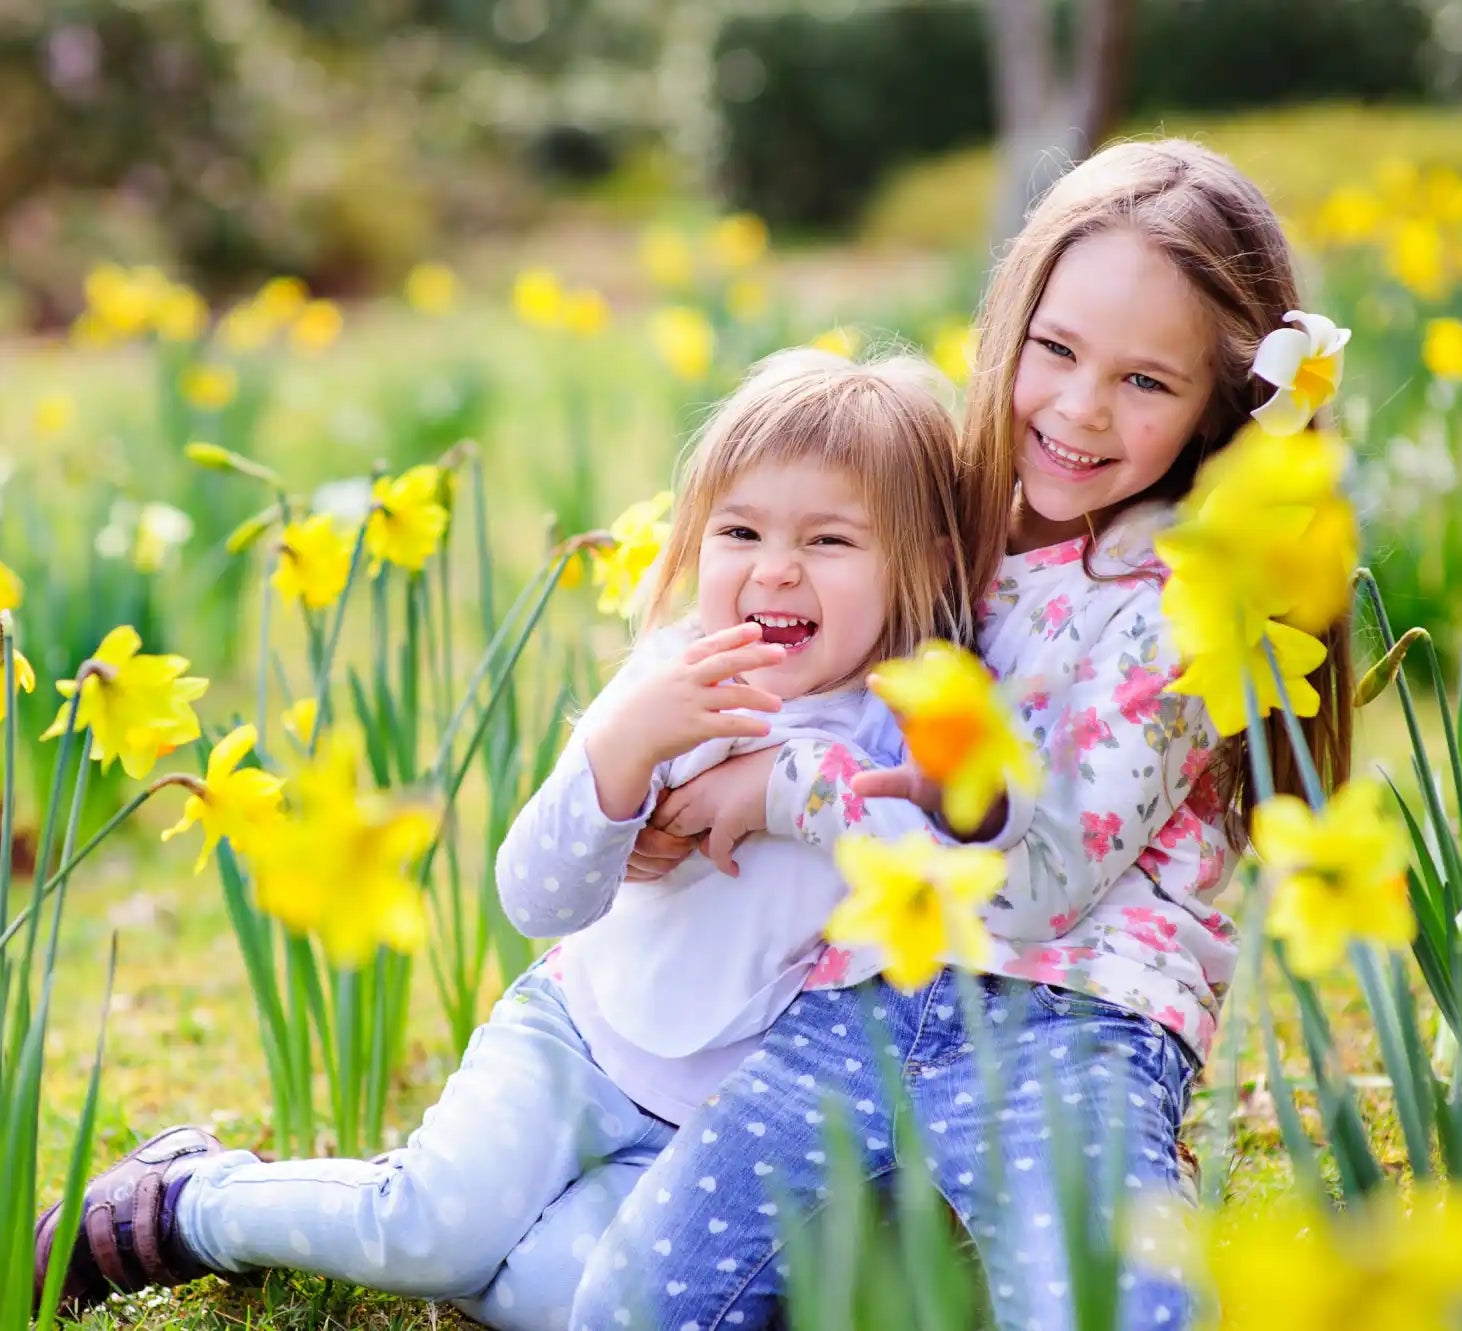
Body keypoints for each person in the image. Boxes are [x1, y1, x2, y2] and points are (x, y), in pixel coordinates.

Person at [570, 137, 1355, 1331]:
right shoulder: (946, 523)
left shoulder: (1200, 599)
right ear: (1010, 329)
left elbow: (1036, 884)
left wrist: (778, 786)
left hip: (1078, 1024)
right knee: (628, 1308)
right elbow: (783, 630)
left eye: (1145, 382)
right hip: (858, 989)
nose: (1079, 408)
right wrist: (654, 790)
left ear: (1223, 403)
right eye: (1055, 350)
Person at [30, 346, 977, 1329]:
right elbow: (534, 897)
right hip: (574, 1035)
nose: (771, 568)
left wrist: (782, 788)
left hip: (715, 1130)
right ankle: (184, 1199)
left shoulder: (912, 720)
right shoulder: (673, 685)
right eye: (738, 530)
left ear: (926, 562)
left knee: (572, 1296)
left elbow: (944, 877)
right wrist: (614, 755)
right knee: (427, 1230)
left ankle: (482, 1236)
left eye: (828, 540)